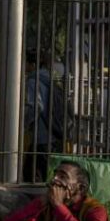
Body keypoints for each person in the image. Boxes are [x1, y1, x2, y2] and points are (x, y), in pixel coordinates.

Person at [24, 48, 62, 183]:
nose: (24, 66)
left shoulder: (33, 81)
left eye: (26, 63)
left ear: (33, 65)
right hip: (53, 133)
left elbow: (35, 106)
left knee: (31, 175)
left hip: (41, 134)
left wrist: (23, 125)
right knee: (44, 173)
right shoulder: (48, 79)